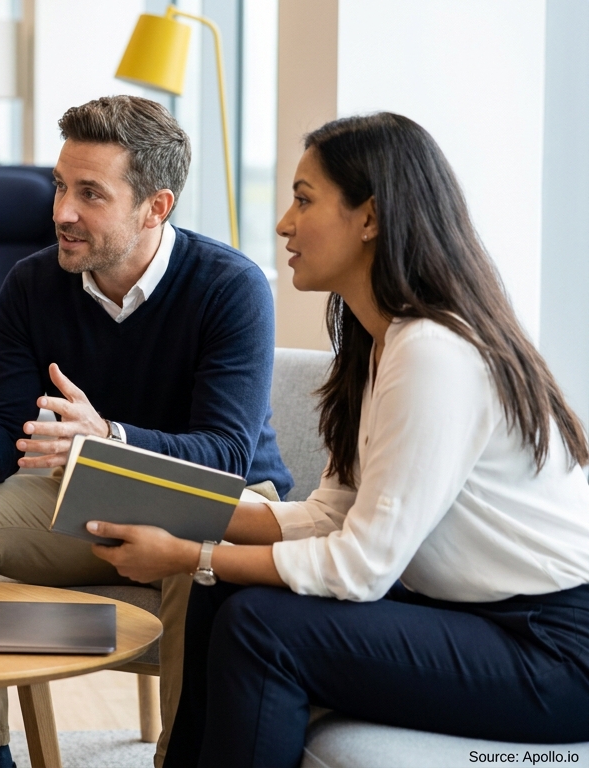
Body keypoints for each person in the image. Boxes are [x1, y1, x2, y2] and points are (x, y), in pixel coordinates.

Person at [91, 112, 589, 768]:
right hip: (481, 621)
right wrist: (177, 512)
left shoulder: (434, 353)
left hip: (553, 652)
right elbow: (332, 513)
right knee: (230, 593)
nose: (283, 225)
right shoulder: (382, 343)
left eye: (303, 199)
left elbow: (361, 566)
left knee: (261, 628)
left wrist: (188, 554)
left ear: (370, 218)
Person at [0, 95, 291, 768]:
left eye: (90, 194)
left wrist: (109, 436)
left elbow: (226, 453)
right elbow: (2, 446)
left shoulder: (231, 287)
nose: (61, 213)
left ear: (155, 207)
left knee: (195, 550)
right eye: (59, 186)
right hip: (88, 495)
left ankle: (184, 756)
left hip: (220, 503)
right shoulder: (32, 284)